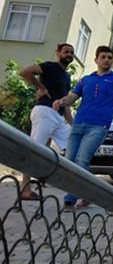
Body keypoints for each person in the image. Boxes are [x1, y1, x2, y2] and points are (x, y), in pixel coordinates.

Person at [53, 46, 113, 209]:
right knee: (70, 160)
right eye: (103, 57)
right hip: (79, 124)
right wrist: (61, 101)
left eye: (109, 57)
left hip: (98, 126)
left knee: (82, 159)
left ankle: (70, 198)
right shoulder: (85, 80)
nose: (107, 59)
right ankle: (89, 194)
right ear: (96, 60)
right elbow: (72, 97)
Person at [18, 43, 75, 201]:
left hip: (58, 117)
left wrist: (73, 125)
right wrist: (40, 87)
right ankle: (25, 189)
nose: (69, 54)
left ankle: (75, 189)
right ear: (58, 53)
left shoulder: (67, 76)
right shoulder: (49, 67)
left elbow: (66, 103)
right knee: (34, 149)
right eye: (66, 52)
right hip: (45, 112)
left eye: (71, 52)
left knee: (73, 147)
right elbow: (24, 72)